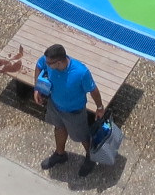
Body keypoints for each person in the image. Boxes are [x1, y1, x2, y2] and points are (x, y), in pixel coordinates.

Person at [35, 43, 104, 177]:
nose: (46, 65)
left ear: (59, 62)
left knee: (83, 137)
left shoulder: (80, 72)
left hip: (75, 112)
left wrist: (100, 107)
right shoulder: (48, 61)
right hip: (55, 106)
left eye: (49, 64)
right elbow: (39, 65)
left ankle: (91, 158)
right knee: (59, 128)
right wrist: (37, 88)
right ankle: (60, 154)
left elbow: (93, 89)